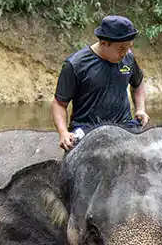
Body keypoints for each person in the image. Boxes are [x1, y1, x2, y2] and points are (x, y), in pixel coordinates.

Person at [52, 14, 150, 151]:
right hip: (88, 129)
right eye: (121, 48)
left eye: (129, 47)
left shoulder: (128, 58)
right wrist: (63, 133)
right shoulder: (76, 64)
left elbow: (138, 83)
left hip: (124, 125)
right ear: (103, 43)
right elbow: (59, 103)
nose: (125, 52)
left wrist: (140, 109)